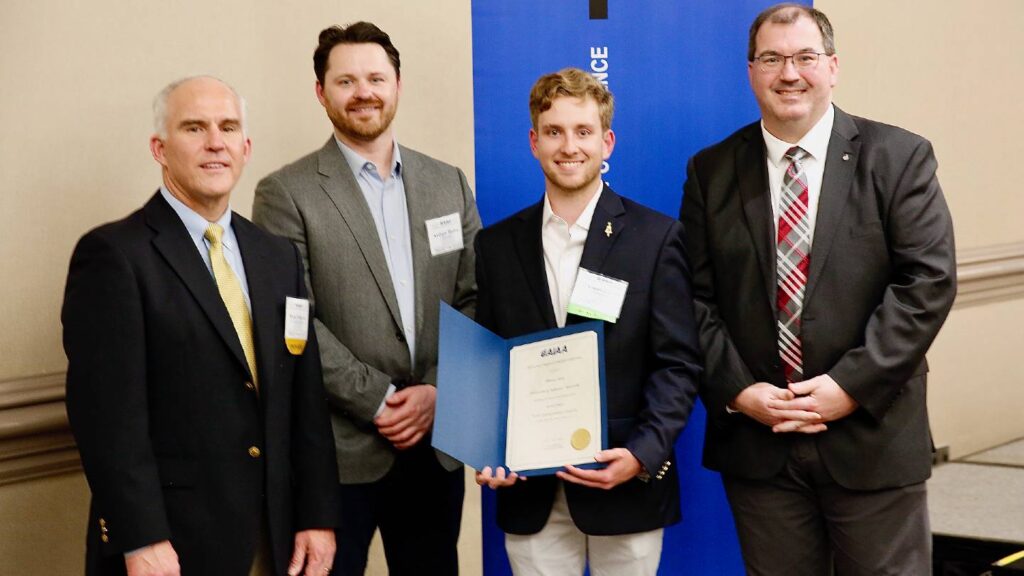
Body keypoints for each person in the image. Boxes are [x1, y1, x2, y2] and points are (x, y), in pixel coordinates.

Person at [679, 4, 957, 574]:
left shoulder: (899, 158)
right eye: (772, 58)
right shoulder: (711, 171)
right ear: (751, 71)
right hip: (760, 447)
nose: (789, 73)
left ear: (833, 67)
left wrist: (848, 385)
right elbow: (692, 297)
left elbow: (926, 282)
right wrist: (737, 391)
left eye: (805, 57)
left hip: (871, 437)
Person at [62, 76, 338, 576]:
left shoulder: (276, 256)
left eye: (228, 127)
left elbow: (304, 399)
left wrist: (317, 515)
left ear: (246, 147)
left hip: (271, 538)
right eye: (194, 128)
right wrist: (139, 536)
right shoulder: (115, 256)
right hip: (168, 545)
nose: (215, 142)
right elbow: (106, 420)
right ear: (159, 148)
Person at [251, 22, 481, 576]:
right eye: (346, 80)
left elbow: (475, 298)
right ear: (321, 92)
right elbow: (290, 316)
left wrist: (434, 390)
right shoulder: (285, 193)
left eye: (376, 77)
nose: (364, 92)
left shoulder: (446, 181)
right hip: (337, 453)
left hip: (435, 446)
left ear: (398, 84)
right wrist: (378, 399)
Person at [474, 68, 702, 576]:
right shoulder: (496, 246)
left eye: (583, 131)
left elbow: (678, 364)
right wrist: (486, 448)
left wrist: (642, 454)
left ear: (607, 142)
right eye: (553, 131)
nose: (568, 146)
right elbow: (487, 362)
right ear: (534, 142)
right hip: (529, 493)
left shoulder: (656, 238)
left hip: (625, 483)